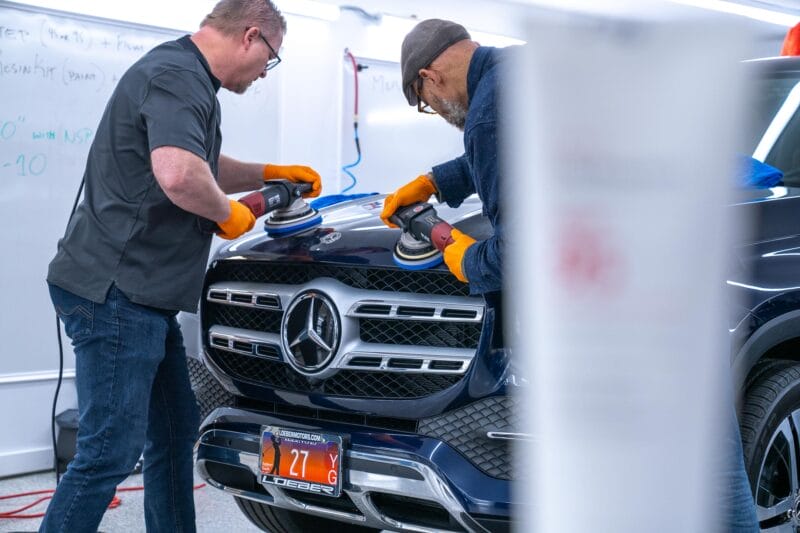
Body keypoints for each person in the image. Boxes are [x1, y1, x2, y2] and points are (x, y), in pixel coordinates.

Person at [384, 18, 759, 533]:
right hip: (678, 280)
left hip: (623, 312)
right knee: (710, 471)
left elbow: (521, 254)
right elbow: (522, 147)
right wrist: (435, 181)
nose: (438, 112)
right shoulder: (522, 70)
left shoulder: (488, 113)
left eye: (426, 101)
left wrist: (461, 254)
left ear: (430, 77)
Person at [42, 1, 321, 531]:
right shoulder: (176, 75)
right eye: (271, 59)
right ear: (251, 36)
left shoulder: (186, 75)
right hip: (117, 293)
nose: (265, 72)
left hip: (140, 296)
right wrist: (229, 214)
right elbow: (177, 173)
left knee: (173, 433)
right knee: (108, 451)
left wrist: (269, 172)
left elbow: (200, 162)